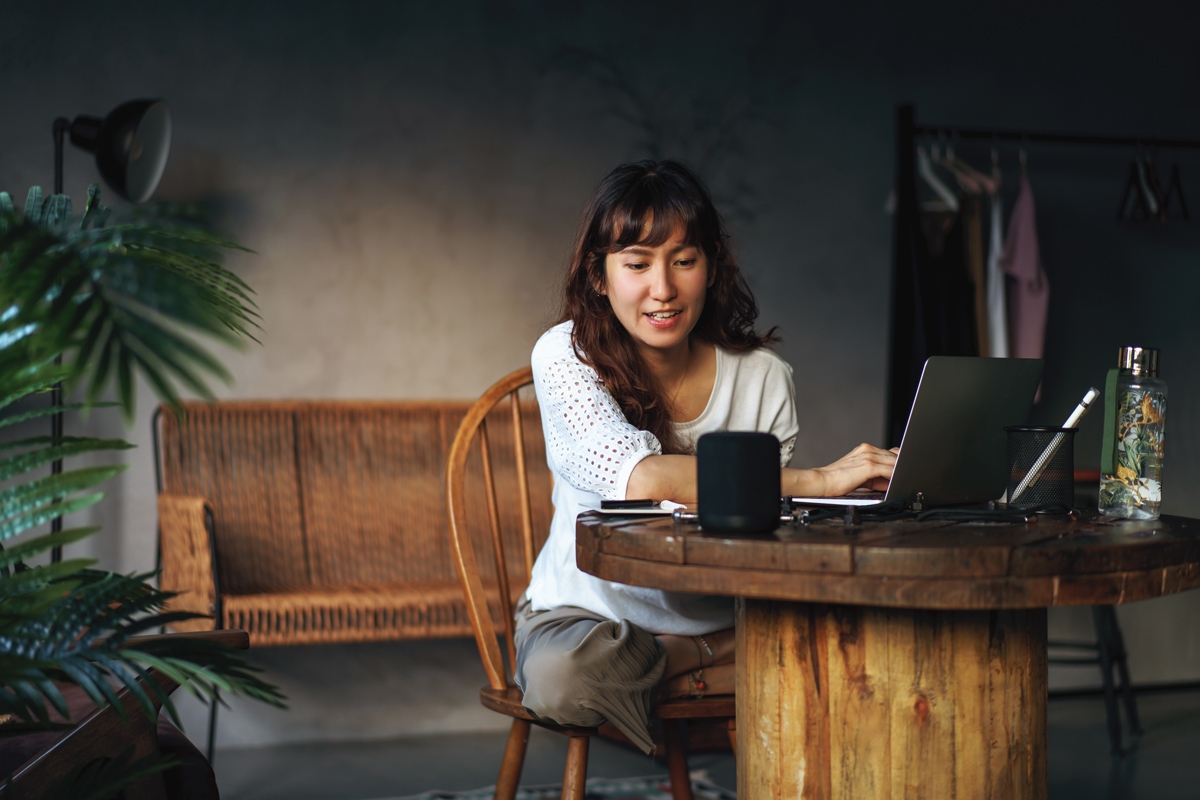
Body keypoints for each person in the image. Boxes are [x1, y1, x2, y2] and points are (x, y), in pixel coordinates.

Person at [515, 160, 896, 754]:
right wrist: (819, 478)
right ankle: (708, 660)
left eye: (683, 261)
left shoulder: (764, 378)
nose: (662, 289)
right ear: (599, 276)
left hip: (727, 611)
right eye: (637, 264)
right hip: (587, 619)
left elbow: (752, 536)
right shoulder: (567, 355)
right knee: (562, 680)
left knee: (874, 634)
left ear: (711, 265)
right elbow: (638, 479)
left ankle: (677, 658)